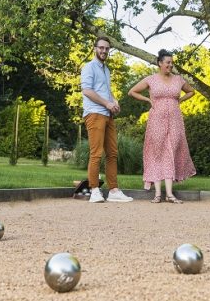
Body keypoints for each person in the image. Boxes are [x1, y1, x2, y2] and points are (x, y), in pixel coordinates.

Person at [128, 49, 196, 204]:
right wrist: (148, 100)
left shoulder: (178, 79)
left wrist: (180, 100)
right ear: (160, 63)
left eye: (172, 63)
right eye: (168, 62)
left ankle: (170, 194)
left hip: (175, 120)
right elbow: (132, 92)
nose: (170, 65)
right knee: (157, 152)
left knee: (171, 150)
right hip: (156, 120)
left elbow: (191, 91)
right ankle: (158, 193)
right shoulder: (151, 79)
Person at [80, 36, 133, 203]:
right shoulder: (89, 67)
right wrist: (106, 103)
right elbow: (87, 90)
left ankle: (113, 190)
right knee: (96, 154)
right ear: (95, 48)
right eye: (101, 47)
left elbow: (105, 91)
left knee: (112, 153)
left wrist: (114, 102)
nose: (103, 51)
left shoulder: (106, 69)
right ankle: (94, 190)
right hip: (95, 113)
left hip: (108, 115)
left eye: (107, 48)